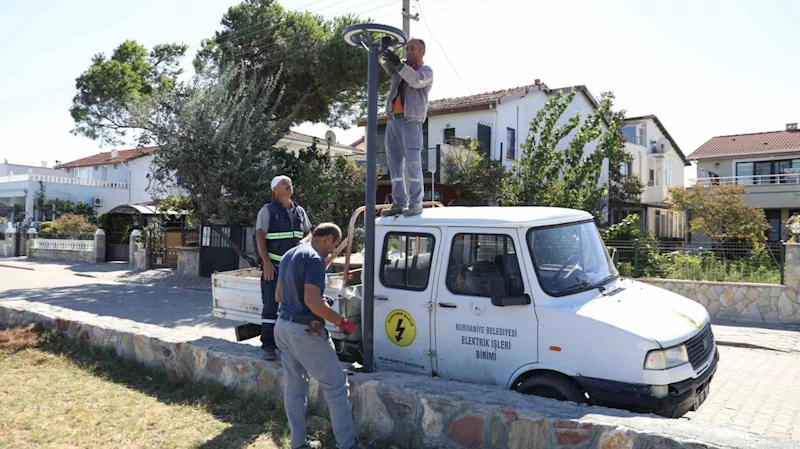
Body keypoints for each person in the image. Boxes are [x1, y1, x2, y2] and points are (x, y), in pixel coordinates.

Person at [274, 223, 358, 449]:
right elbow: (311, 302)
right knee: (336, 386)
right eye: (331, 249)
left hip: (282, 327)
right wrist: (343, 322)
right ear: (329, 239)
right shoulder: (314, 259)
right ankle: (348, 445)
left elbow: (279, 296)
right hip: (304, 331)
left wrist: (320, 304)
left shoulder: (289, 254)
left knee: (295, 387)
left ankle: (298, 443)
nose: (329, 254)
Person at [255, 175, 312, 361]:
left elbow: (309, 233)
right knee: (271, 307)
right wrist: (267, 263)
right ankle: (268, 346)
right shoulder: (267, 211)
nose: (289, 185)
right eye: (284, 183)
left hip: (295, 271)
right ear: (275, 190)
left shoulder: (300, 211)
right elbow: (260, 236)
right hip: (275, 268)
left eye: (290, 183)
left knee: (296, 308)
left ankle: (291, 346)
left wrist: (305, 241)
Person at [379, 38, 434, 217]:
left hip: (411, 122)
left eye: (412, 49)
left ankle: (416, 203)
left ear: (422, 52)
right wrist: (384, 49)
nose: (408, 52)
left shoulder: (426, 71)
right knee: (394, 165)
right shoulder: (400, 68)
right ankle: (399, 203)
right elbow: (384, 63)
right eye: (407, 49)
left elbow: (416, 81)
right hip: (393, 121)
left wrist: (398, 63)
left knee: (413, 163)